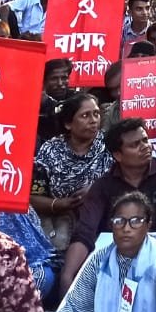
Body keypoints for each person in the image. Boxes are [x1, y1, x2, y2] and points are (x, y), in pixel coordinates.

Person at [62, 118, 156, 300]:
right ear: (118, 155)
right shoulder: (103, 186)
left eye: (145, 140)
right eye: (135, 144)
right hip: (120, 261)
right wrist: (67, 274)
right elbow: (85, 232)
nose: (145, 147)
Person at [50, 191, 156, 312]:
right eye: (119, 221)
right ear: (111, 225)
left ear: (148, 225)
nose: (126, 228)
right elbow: (75, 309)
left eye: (136, 221)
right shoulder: (100, 259)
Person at [31, 92, 113, 253]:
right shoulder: (50, 150)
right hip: (59, 227)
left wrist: (97, 189)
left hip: (103, 224)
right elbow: (32, 198)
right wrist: (58, 204)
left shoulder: (110, 146)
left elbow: (124, 183)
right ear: (68, 124)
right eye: (85, 115)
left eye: (96, 114)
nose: (93, 120)